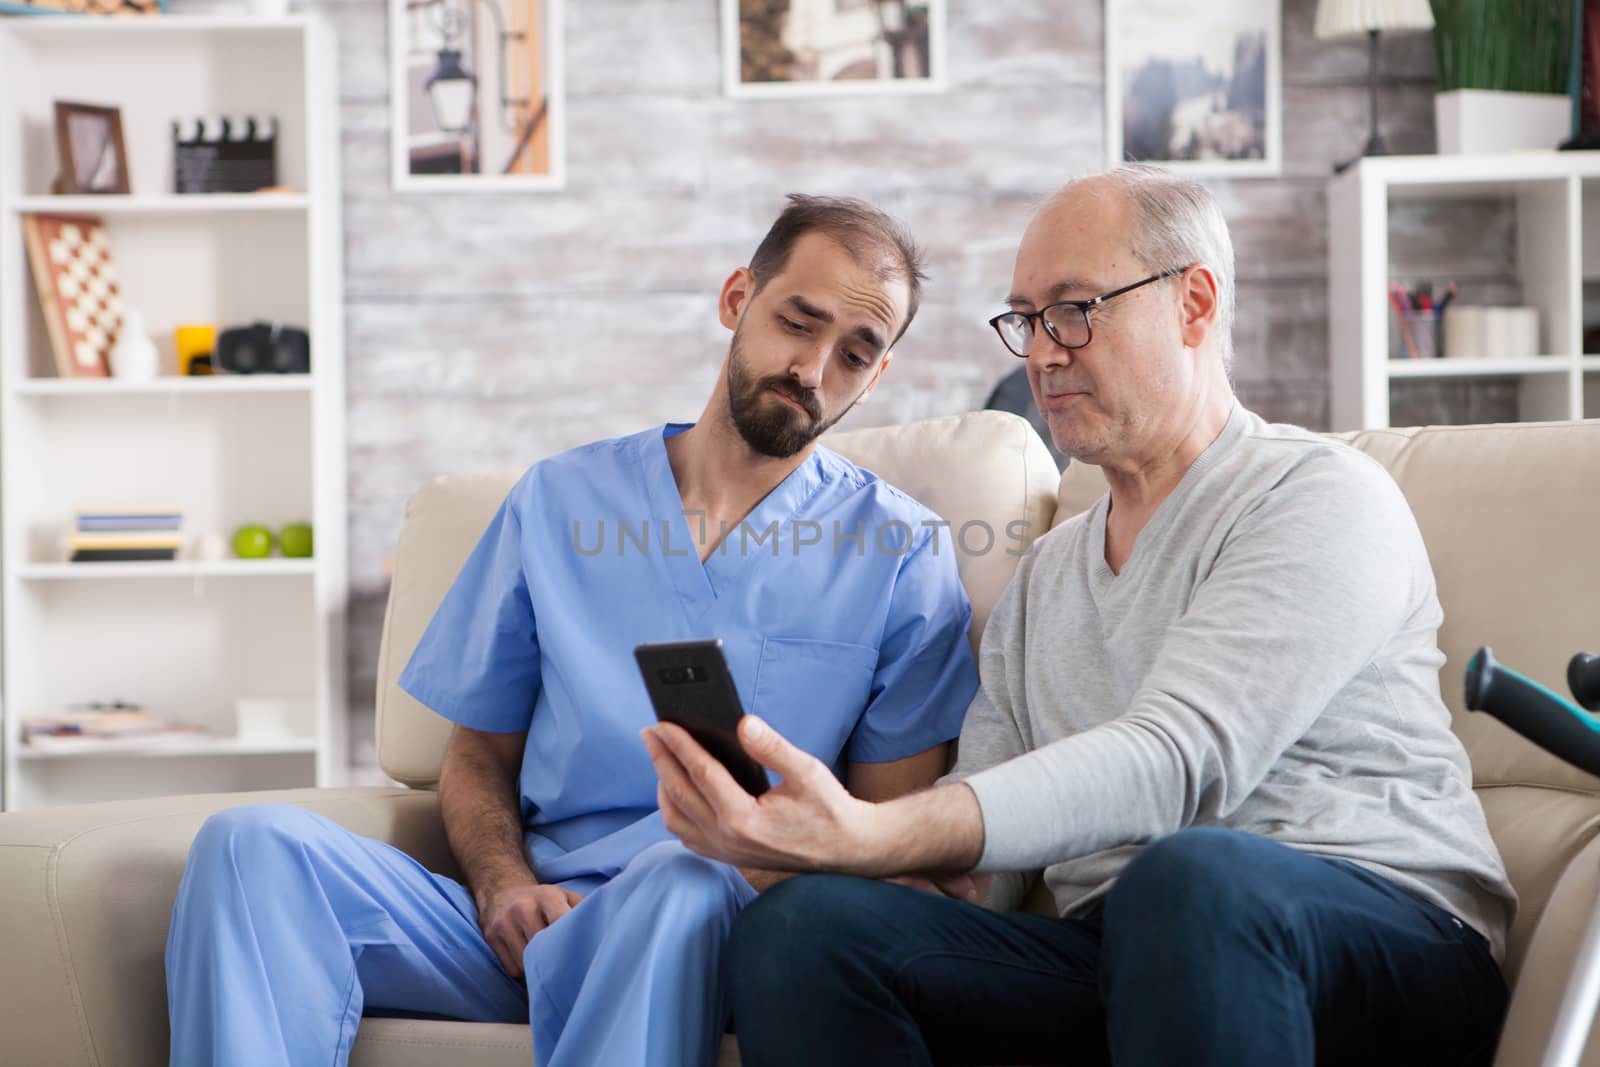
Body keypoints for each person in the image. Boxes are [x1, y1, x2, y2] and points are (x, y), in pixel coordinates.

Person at [644, 165, 1518, 1067]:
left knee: (1187, 876)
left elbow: (1178, 762)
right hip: (1130, 953)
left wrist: (871, 826)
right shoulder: (1047, 575)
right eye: (1026, 319)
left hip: (1387, 936)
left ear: (1195, 303)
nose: (1041, 352)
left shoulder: (1318, 497)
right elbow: (984, 874)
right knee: (806, 931)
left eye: (1073, 309)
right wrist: (797, 855)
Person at [164, 195, 979, 1067]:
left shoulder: (901, 551)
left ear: (879, 373)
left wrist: (755, 856)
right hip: (531, 923)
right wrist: (505, 886)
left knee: (683, 877)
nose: (814, 369)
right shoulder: (557, 501)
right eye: (797, 321)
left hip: (717, 921)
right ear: (737, 298)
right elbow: (478, 753)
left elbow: (886, 841)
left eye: (854, 354)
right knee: (250, 846)